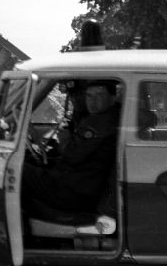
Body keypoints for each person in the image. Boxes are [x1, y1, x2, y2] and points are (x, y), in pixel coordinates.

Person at [22, 80, 120, 214]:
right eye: (89, 96)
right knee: (35, 163)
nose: (92, 101)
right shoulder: (112, 118)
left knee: (18, 170)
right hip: (81, 186)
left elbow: (71, 156)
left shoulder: (98, 122)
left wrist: (64, 140)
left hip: (72, 191)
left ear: (113, 98)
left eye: (99, 95)